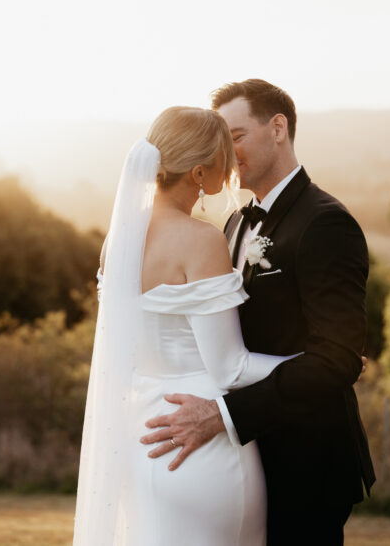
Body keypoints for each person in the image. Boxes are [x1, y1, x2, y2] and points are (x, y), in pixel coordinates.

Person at [141, 79, 375, 545]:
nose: (225, 152)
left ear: (278, 128)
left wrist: (223, 414)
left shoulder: (325, 223)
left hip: (304, 458)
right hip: (240, 453)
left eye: (236, 136)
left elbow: (337, 360)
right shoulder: (233, 222)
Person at [73, 106, 297, 546]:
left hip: (143, 437)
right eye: (222, 155)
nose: (231, 163)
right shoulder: (201, 240)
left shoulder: (117, 242)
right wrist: (308, 362)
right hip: (204, 444)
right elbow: (229, 369)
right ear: (198, 172)